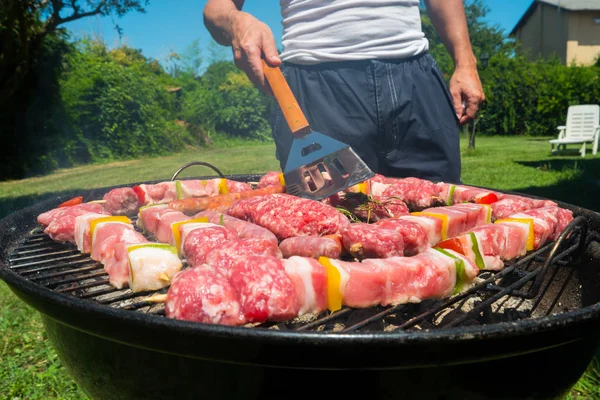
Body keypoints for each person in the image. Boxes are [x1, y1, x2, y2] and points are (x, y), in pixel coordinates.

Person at [203, 0, 485, 183]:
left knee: (443, 212)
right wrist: (236, 20)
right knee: (327, 230)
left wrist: (466, 62)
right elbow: (216, 9)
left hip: (414, 79)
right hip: (314, 92)